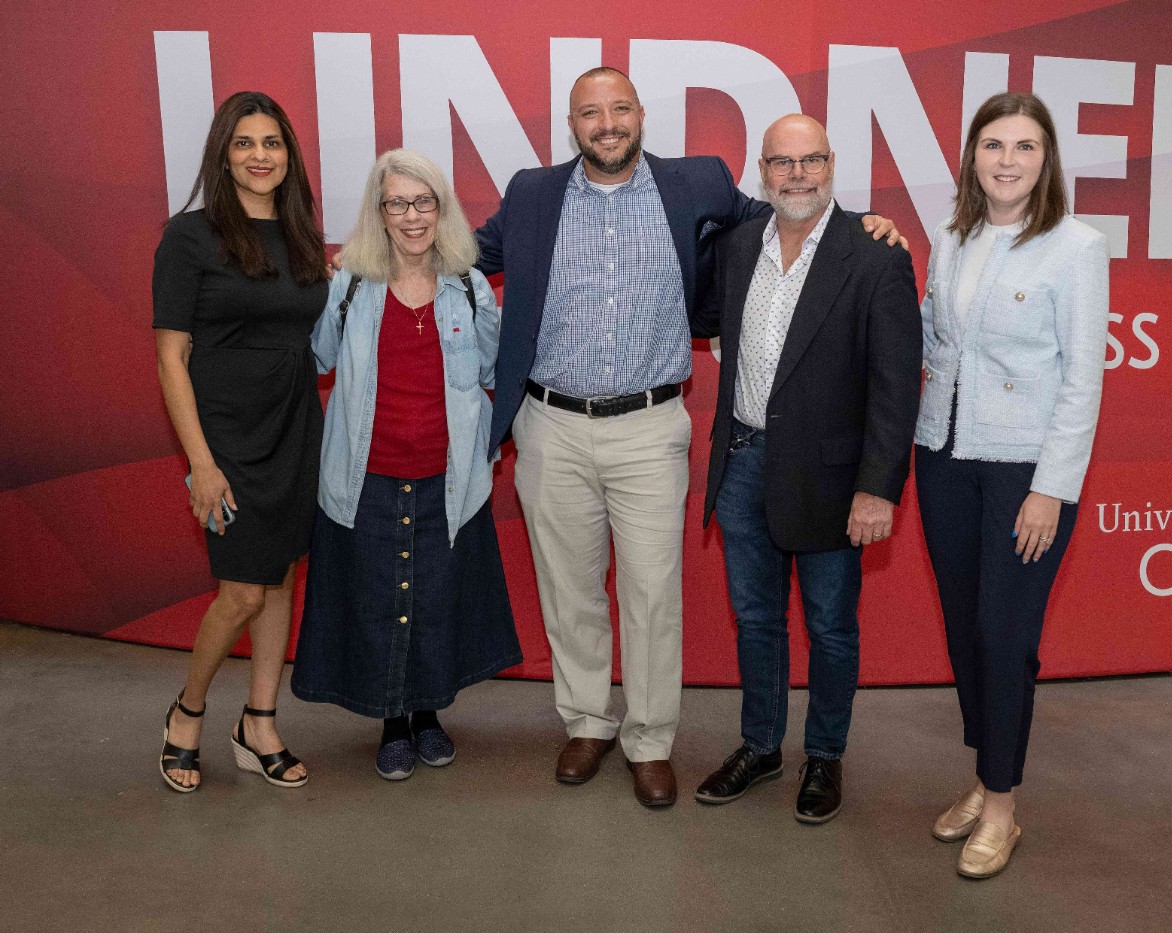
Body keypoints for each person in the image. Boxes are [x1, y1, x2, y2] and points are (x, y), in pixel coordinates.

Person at [473, 67, 901, 806]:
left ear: (640, 115)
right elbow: (460, 255)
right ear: (570, 125)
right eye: (589, 113)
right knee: (569, 588)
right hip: (549, 425)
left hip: (648, 425)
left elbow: (792, 210)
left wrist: (867, 224)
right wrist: (377, 253)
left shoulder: (696, 183)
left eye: (619, 109)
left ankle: (648, 738)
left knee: (650, 593)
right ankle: (585, 720)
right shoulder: (531, 193)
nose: (607, 123)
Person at [690, 115, 920, 823]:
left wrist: (878, 487)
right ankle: (760, 746)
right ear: (763, 171)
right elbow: (702, 320)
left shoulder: (875, 253)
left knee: (830, 626)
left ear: (831, 162)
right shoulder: (733, 248)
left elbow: (895, 384)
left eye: (811, 160)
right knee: (756, 619)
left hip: (831, 477)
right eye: (783, 163)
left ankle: (824, 756)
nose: (798, 175)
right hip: (742, 465)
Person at [914, 92, 1109, 876]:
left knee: (1005, 636)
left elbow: (1083, 380)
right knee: (966, 632)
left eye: (1024, 146)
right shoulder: (950, 235)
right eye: (993, 144)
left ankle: (1002, 807)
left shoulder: (1076, 246)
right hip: (944, 458)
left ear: (1047, 159)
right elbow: (933, 333)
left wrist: (1050, 488)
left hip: (1026, 471)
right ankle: (982, 775)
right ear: (972, 157)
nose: (1007, 160)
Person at [290, 149, 522, 780]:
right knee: (376, 601)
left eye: (424, 202)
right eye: (397, 203)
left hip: (448, 480)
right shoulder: (351, 286)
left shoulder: (469, 287)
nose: (412, 216)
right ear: (380, 212)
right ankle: (392, 723)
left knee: (434, 600)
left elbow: (492, 372)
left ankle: (426, 715)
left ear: (441, 209)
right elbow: (316, 360)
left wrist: (487, 448)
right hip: (366, 477)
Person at [153, 91, 327, 792]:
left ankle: (259, 722)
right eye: (245, 144)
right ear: (223, 155)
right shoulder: (190, 236)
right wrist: (200, 463)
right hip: (225, 434)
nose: (261, 156)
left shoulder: (303, 233)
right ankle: (185, 713)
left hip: (294, 422)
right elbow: (171, 357)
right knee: (241, 594)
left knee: (281, 576)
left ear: (289, 156)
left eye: (273, 143)